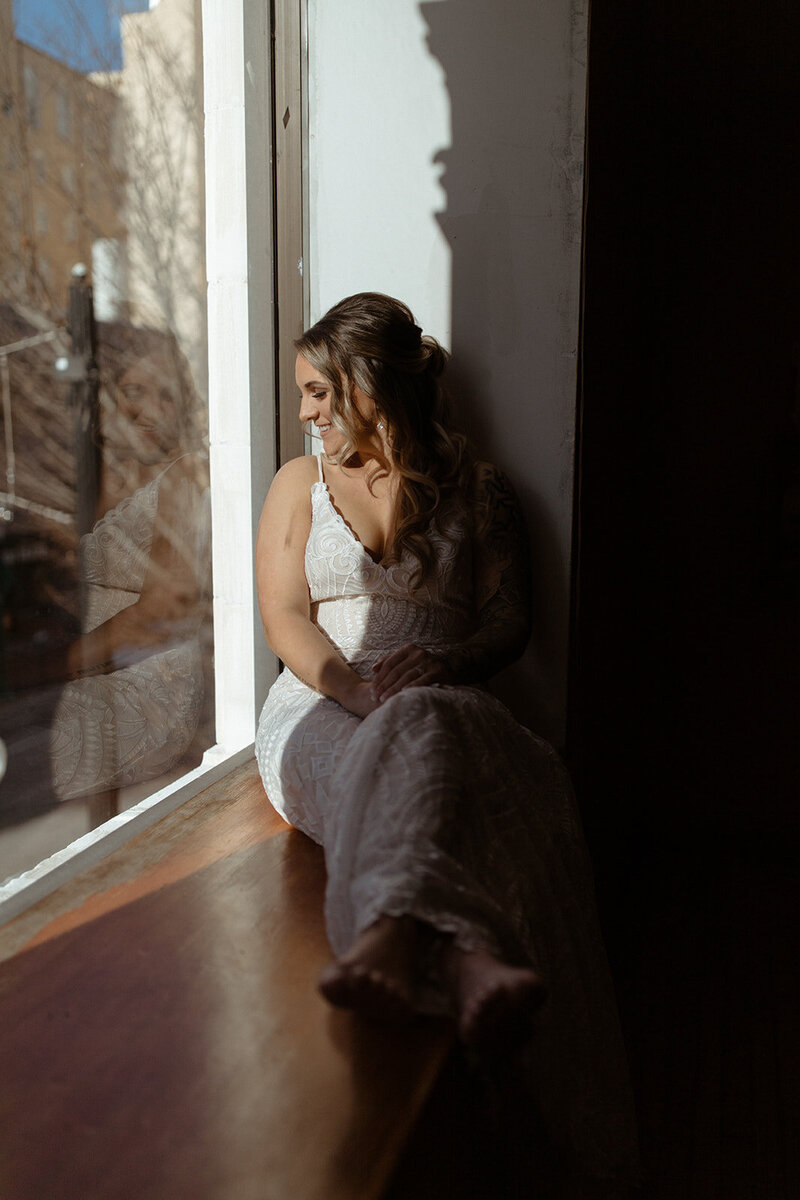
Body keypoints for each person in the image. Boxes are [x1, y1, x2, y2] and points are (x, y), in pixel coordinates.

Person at [255, 293, 637, 1181]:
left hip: (444, 697)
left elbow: (510, 626)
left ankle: (398, 938)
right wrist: (354, 688)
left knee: (436, 738)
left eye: (318, 391)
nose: (305, 413)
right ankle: (468, 958)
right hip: (316, 707)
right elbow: (283, 616)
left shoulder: (484, 488)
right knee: (401, 754)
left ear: (370, 384)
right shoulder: (295, 485)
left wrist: (444, 662)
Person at [49, 325, 212, 802]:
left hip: (162, 696)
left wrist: (77, 655)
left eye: (165, 396)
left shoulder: (185, 481)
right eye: (133, 391)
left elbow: (171, 603)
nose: (147, 410)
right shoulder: (108, 479)